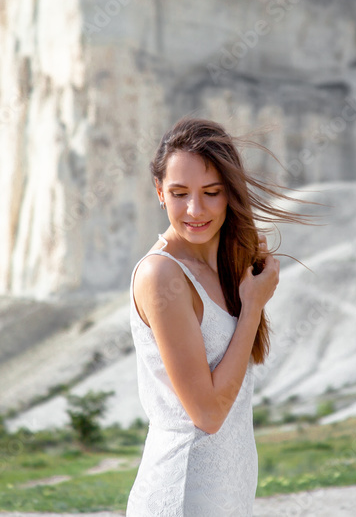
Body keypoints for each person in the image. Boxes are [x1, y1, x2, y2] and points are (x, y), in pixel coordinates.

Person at [126, 116, 325, 516]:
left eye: (211, 192)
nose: (195, 209)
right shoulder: (162, 275)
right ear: (159, 192)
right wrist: (252, 308)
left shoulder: (226, 266)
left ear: (229, 193)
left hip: (226, 495)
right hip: (184, 494)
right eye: (179, 193)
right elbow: (208, 414)